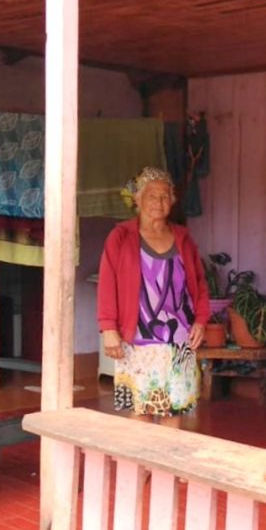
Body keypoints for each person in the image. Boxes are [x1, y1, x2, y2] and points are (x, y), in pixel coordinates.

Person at [97, 167, 210, 417]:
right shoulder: (121, 237)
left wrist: (200, 321)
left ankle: (163, 457)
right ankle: (138, 458)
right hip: (137, 339)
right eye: (151, 195)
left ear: (172, 200)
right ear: (137, 199)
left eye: (165, 196)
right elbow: (107, 284)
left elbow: (199, 283)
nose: (159, 202)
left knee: (174, 409)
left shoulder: (183, 237)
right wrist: (108, 329)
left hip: (179, 339)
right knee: (141, 411)